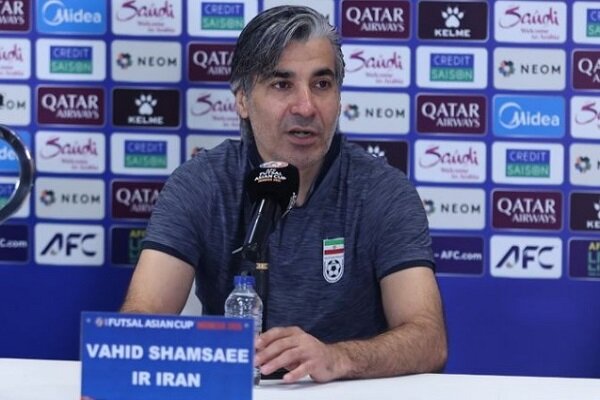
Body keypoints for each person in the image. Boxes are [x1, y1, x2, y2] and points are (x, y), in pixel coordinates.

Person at [120, 5, 447, 383]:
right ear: (242, 100)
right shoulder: (202, 184)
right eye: (282, 84)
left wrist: (338, 358)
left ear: (339, 97)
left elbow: (428, 339)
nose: (306, 107)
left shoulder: (383, 192)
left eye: (321, 85)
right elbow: (141, 319)